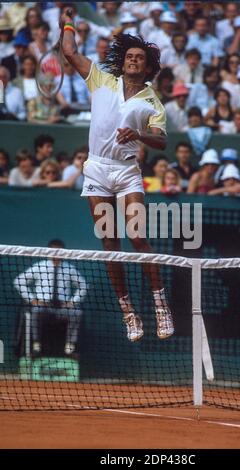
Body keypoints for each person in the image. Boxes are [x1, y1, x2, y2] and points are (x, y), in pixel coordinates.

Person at [61, 14, 174, 342]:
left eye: (139, 57)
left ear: (148, 66)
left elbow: (161, 140)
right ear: (122, 62)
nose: (133, 60)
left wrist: (138, 134)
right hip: (96, 169)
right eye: (129, 56)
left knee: (137, 238)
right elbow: (70, 52)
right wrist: (67, 23)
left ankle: (159, 304)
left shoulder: (153, 102)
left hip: (127, 172)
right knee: (110, 242)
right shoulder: (100, 79)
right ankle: (128, 312)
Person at [14, 239, 87, 356]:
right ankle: (36, 345)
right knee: (36, 312)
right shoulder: (40, 266)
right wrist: (32, 299)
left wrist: (73, 302)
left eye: (59, 251)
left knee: (77, 313)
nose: (56, 254)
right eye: (53, 251)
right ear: (47, 252)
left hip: (63, 308)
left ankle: (70, 347)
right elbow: (19, 281)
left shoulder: (70, 269)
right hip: (43, 306)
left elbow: (83, 286)